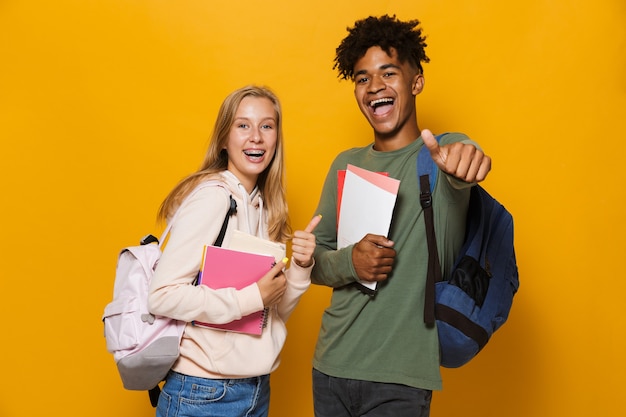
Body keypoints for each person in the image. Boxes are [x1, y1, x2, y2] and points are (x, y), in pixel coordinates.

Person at [310, 15, 492, 417]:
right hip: (331, 366)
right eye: (362, 78)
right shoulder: (345, 163)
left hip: (402, 378)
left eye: (388, 72)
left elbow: (464, 160)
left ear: (416, 81)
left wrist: (466, 161)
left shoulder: (440, 157)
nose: (374, 86)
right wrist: (349, 261)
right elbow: (314, 262)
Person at [148, 85, 321, 417]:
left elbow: (268, 315)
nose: (256, 136)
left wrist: (300, 266)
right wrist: (251, 297)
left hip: (254, 389)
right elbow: (161, 296)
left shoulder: (265, 207)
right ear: (224, 139)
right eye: (243, 125)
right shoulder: (213, 198)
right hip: (204, 394)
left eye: (266, 126)